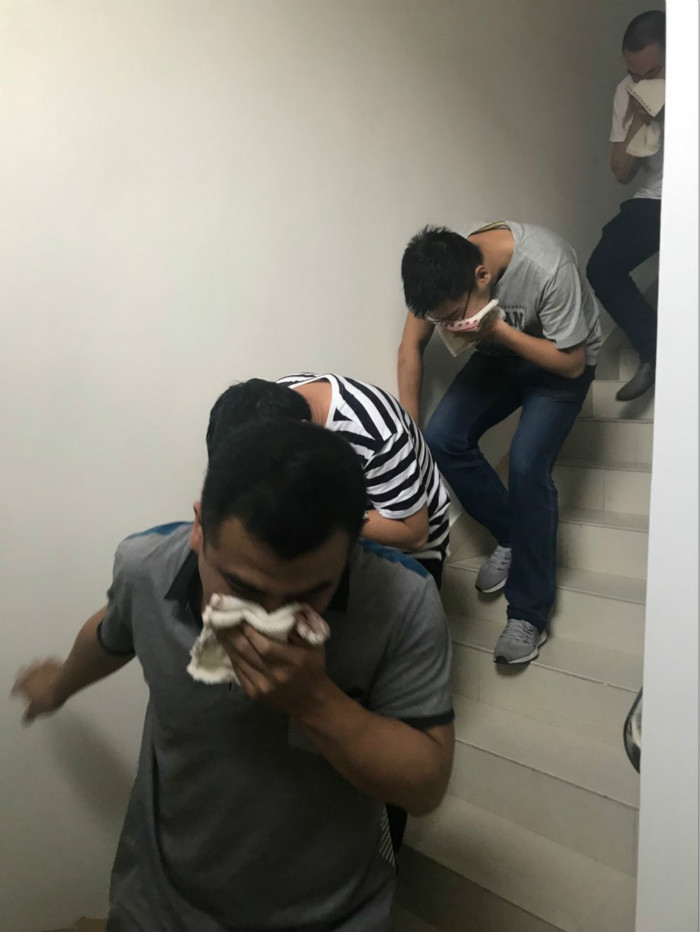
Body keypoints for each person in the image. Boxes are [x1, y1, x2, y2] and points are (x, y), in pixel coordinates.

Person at [12, 421, 454, 932]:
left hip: (331, 912)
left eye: (309, 594)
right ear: (200, 528)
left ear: (352, 547)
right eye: (243, 589)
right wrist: (59, 686)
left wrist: (316, 702)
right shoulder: (146, 566)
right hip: (158, 902)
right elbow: (114, 628)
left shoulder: (403, 600)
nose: (267, 618)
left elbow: (425, 786)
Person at [398, 221, 601, 664]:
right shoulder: (438, 272)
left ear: (482, 277)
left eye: (454, 315)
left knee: (527, 466)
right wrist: (408, 433)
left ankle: (529, 614)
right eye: (440, 320)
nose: (450, 326)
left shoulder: (549, 267)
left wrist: (497, 331)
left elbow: (572, 363)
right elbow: (410, 349)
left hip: (561, 362)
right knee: (441, 439)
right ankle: (513, 535)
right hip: (500, 360)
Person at [209, 374, 451, 587]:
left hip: (411, 542)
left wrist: (319, 516)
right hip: (342, 528)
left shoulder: (376, 435)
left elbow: (414, 534)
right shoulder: (271, 410)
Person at [587, 10, 665, 401]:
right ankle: (654, 351)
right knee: (602, 267)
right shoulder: (627, 91)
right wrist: (637, 118)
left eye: (651, 73)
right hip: (654, 198)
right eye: (633, 72)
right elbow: (620, 172)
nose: (640, 81)